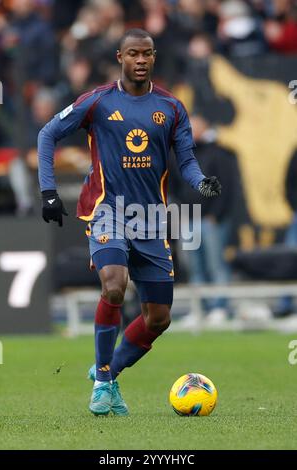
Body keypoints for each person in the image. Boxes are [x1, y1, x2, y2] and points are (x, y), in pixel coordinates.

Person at [37, 28, 221, 417]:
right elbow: (48, 133)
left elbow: (185, 160)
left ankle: (109, 373)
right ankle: (103, 383)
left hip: (152, 218)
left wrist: (200, 181)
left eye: (148, 54)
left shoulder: (170, 107)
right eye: (133, 53)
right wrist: (48, 191)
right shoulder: (98, 101)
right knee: (115, 285)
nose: (141, 60)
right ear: (120, 57)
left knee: (159, 318)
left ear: (154, 58)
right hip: (108, 211)